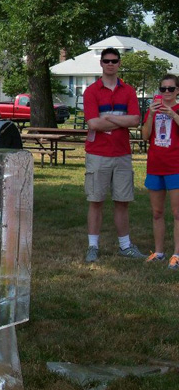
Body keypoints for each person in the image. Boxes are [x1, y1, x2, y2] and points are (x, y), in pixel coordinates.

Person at [83, 47, 145, 263]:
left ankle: (125, 246)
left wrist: (108, 118)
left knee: (122, 201)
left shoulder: (128, 91)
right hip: (97, 154)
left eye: (114, 60)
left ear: (119, 64)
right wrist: (120, 119)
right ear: (101, 63)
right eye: (106, 60)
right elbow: (93, 123)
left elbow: (136, 120)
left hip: (122, 154)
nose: (110, 64)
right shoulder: (91, 91)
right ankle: (93, 246)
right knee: (96, 201)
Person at [141, 74, 179, 268]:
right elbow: (145, 135)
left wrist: (173, 114)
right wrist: (151, 115)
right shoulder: (153, 110)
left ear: (177, 91)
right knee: (157, 212)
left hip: (175, 166)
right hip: (155, 166)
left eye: (170, 89)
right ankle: (159, 251)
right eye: (163, 89)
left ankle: (177, 254)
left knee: (177, 212)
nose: (166, 93)